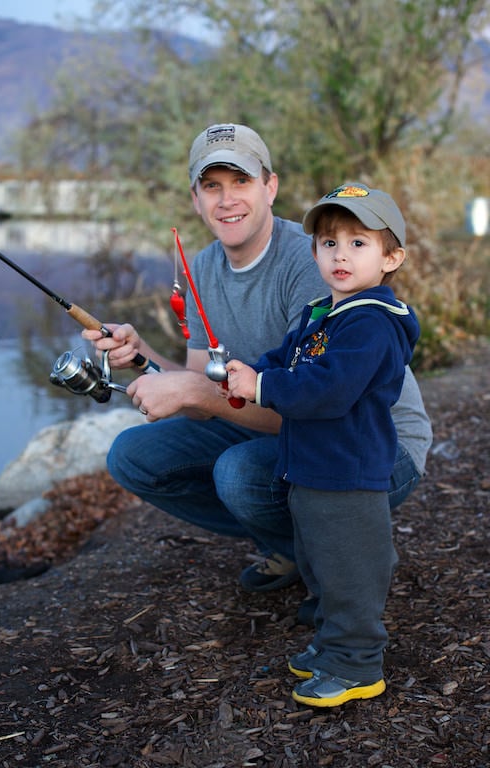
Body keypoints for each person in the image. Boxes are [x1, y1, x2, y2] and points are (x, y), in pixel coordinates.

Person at [82, 124, 431, 623]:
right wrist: (141, 359)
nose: (226, 200)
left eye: (240, 182)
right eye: (212, 186)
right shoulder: (202, 267)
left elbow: (318, 405)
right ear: (196, 198)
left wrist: (198, 393)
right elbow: (202, 389)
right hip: (289, 420)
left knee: (240, 473)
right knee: (134, 456)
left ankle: (339, 564)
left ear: (270, 187)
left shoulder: (317, 260)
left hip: (373, 445)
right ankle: (292, 544)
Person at [225, 182, 419, 707]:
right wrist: (253, 370)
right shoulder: (324, 314)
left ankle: (357, 665)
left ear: (391, 257)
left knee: (352, 567)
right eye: (330, 243)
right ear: (313, 252)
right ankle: (332, 646)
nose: (341, 254)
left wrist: (262, 389)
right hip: (311, 470)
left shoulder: (373, 324)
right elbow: (283, 357)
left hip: (349, 473)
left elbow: (329, 389)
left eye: (359, 244)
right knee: (320, 563)